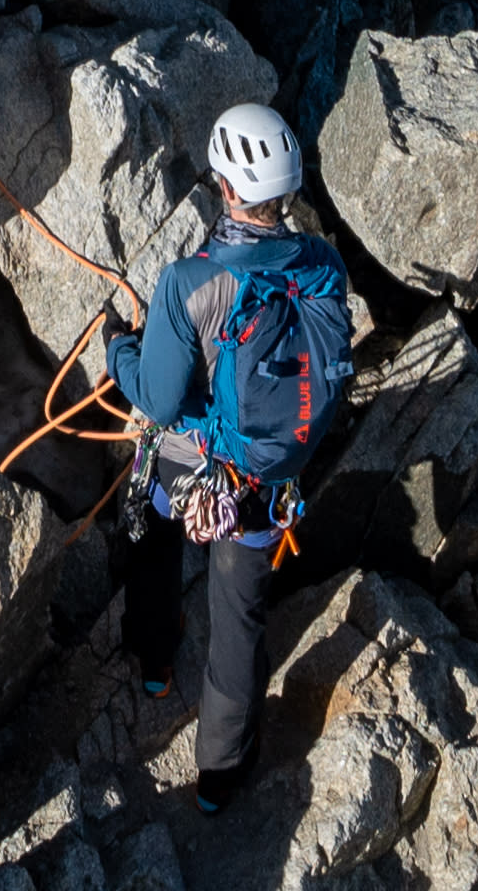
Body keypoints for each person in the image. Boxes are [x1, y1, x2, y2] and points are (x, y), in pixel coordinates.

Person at [109, 100, 351, 811]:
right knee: (239, 623)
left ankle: (155, 663)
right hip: (270, 484)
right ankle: (218, 779)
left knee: (151, 535)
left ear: (226, 188)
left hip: (191, 467)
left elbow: (156, 401)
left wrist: (119, 347)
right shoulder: (324, 267)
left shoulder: (188, 283)